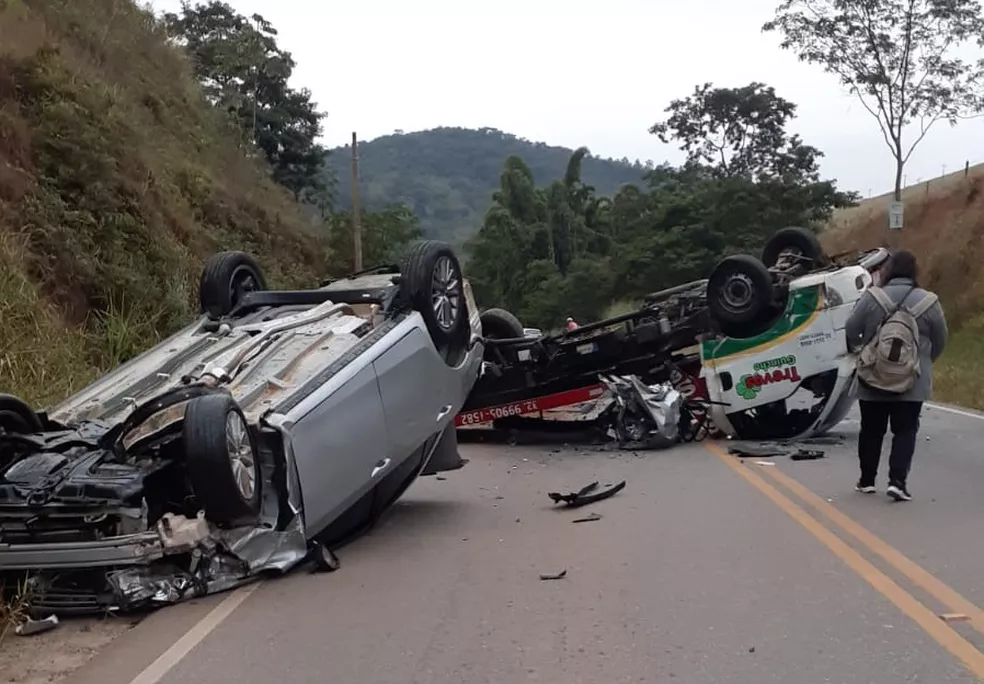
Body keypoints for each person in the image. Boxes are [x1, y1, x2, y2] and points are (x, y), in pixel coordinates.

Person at [845, 250, 948, 501]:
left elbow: (851, 328)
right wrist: (922, 362)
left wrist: (859, 351)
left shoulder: (872, 298)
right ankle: (898, 482)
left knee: (871, 429)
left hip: (873, 377)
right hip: (911, 380)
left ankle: (867, 480)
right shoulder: (929, 302)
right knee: (905, 430)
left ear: (888, 270)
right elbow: (940, 339)